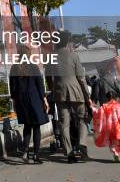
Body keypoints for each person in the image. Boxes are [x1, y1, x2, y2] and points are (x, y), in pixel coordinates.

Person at [46, 31, 91, 163]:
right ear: (67, 42)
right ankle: (82, 144)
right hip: (76, 91)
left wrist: (53, 89)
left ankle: (69, 152)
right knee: (83, 118)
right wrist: (87, 96)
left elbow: (48, 76)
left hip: (60, 92)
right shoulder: (74, 55)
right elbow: (81, 78)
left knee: (64, 124)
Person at [10, 60, 50, 164]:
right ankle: (36, 155)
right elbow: (40, 84)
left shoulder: (14, 68)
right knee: (36, 127)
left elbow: (12, 87)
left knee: (27, 126)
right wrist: (44, 99)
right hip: (34, 99)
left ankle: (25, 150)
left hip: (21, 100)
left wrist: (14, 101)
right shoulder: (33, 67)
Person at [91, 91, 120, 164]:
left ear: (107, 98)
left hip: (110, 127)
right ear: (116, 97)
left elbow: (97, 113)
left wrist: (92, 107)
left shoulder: (105, 106)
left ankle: (116, 154)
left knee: (113, 141)